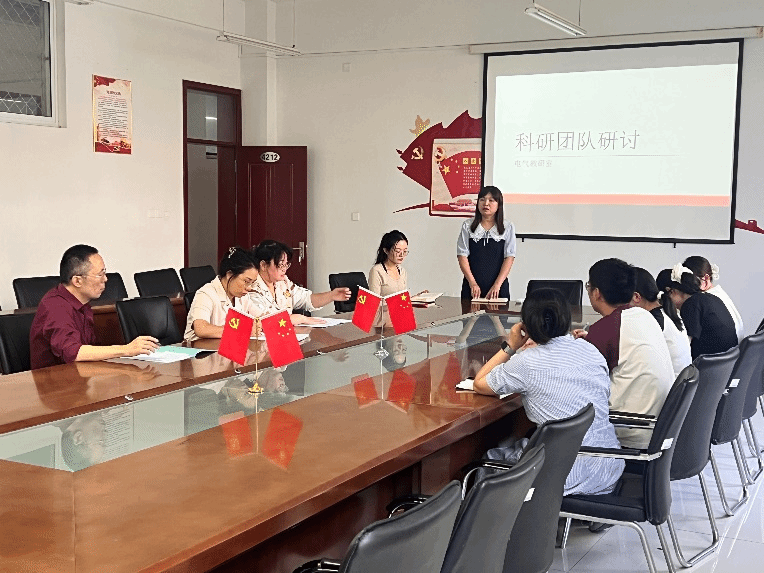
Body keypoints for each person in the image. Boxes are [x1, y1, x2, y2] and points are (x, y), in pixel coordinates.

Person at [473, 288, 624, 495]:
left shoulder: (527, 362)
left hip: (564, 475)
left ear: (525, 325)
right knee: (524, 442)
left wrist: (511, 346)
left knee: (492, 458)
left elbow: (479, 383)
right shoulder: (590, 349)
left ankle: (485, 517)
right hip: (607, 468)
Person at [575, 259, 674, 449]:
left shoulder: (606, 328)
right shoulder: (644, 316)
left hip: (630, 429)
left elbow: (578, 380)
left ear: (596, 293)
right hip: (658, 428)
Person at [30, 245, 159, 370]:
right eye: (100, 275)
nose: (105, 279)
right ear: (77, 281)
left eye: (105, 273)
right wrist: (126, 349)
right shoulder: (55, 306)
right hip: (56, 381)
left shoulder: (83, 304)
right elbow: (74, 352)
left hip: (81, 376)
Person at [249, 240, 351, 325]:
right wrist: (300, 319)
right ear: (263, 265)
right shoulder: (251, 287)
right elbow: (265, 321)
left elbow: (306, 299)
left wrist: (331, 295)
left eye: (286, 264)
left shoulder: (283, 282)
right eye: (280, 265)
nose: (284, 269)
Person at [184, 247, 266, 342]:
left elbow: (262, 317)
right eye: (246, 281)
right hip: (200, 349)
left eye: (252, 283)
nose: (249, 288)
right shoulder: (206, 293)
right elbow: (201, 329)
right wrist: (242, 329)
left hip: (227, 347)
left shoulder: (242, 296)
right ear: (229, 274)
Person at [656, 265, 738, 360]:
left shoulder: (690, 305)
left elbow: (684, 346)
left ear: (671, 291)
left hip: (707, 365)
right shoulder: (710, 297)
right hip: (727, 362)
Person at [631, 267, 692, 379]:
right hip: (682, 383)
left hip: (671, 386)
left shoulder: (652, 320)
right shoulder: (668, 311)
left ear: (636, 297)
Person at [457, 186, 516, 300]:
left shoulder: (507, 227)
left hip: (498, 288)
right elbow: (462, 255)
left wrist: (497, 285)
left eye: (491, 200)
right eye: (482, 199)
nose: (486, 203)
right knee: (468, 312)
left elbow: (509, 257)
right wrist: (472, 283)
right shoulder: (467, 226)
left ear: (499, 204)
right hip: (472, 287)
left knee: (500, 311)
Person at [683, 256, 744, 341]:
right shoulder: (720, 294)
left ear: (705, 279)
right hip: (737, 348)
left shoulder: (699, 300)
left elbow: (686, 342)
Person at [368, 230, 410, 297]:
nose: (402, 255)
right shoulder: (377, 271)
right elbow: (374, 301)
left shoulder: (402, 271)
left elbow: (402, 299)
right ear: (386, 250)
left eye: (405, 251)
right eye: (397, 251)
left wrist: (417, 297)